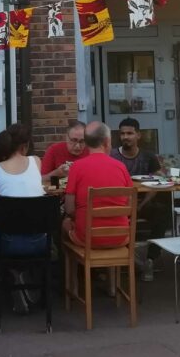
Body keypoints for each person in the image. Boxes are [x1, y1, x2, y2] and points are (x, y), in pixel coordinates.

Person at [0, 124, 45, 314]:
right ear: (25, 145)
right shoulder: (36, 162)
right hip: (39, 242)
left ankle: (9, 273)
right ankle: (22, 273)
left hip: (7, 243)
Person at [110, 117, 165, 280]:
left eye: (130, 133)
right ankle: (129, 259)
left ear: (138, 135)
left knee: (162, 214)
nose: (125, 137)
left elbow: (157, 182)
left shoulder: (148, 156)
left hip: (143, 203)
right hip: (119, 204)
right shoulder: (112, 155)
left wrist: (141, 204)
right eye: (122, 134)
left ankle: (150, 259)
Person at [63, 121, 133, 248]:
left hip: (86, 239)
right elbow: (129, 204)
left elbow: (69, 209)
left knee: (65, 223)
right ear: (107, 142)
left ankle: (72, 261)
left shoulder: (76, 167)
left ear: (86, 143)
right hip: (120, 237)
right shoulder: (121, 167)